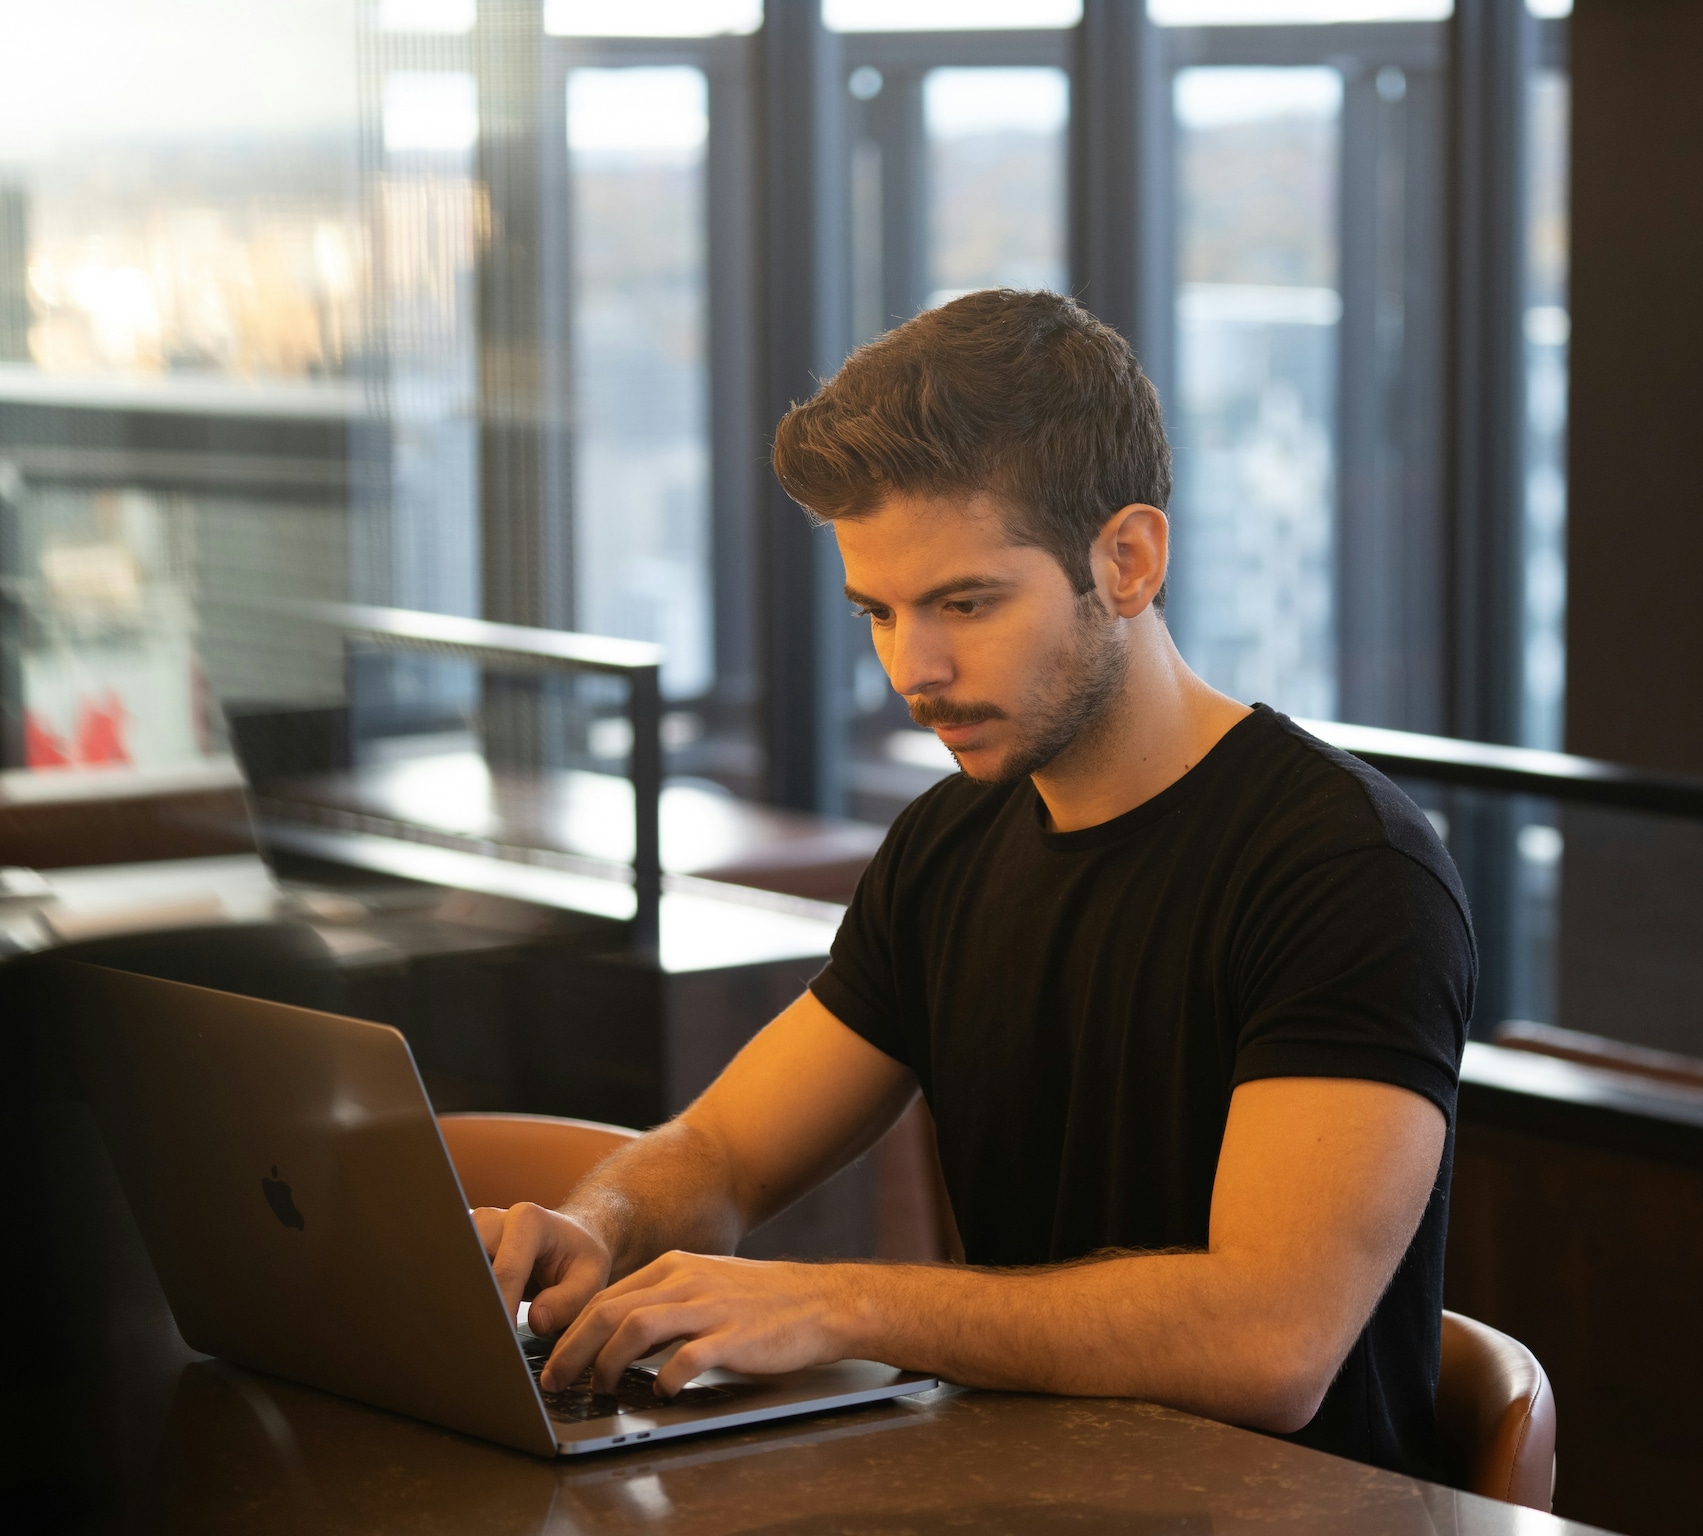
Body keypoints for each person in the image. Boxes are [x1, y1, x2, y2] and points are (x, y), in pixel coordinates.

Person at [476, 289, 1474, 1476]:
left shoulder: (1346, 868)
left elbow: (1269, 1340)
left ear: (1127, 560)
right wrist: (595, 1225)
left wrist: (844, 1304)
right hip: (1020, 1489)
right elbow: (724, 1153)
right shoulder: (945, 845)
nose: (914, 668)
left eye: (964, 603)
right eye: (878, 613)